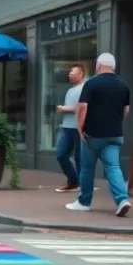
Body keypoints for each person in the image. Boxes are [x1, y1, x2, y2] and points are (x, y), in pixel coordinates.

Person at [67, 53, 132, 217]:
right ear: (113, 66)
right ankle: (122, 199)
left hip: (92, 134)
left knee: (87, 169)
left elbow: (82, 107)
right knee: (113, 167)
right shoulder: (123, 86)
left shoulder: (91, 84)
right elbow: (126, 110)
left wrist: (80, 128)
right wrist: (116, 123)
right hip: (115, 134)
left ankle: (84, 202)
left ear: (99, 66)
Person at [54, 64, 86, 193]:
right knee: (61, 154)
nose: (70, 75)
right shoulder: (69, 90)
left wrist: (62, 108)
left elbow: (80, 108)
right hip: (66, 126)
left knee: (79, 157)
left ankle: (83, 185)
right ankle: (73, 180)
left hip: (78, 127)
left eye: (73, 73)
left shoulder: (84, 89)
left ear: (81, 74)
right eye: (70, 73)